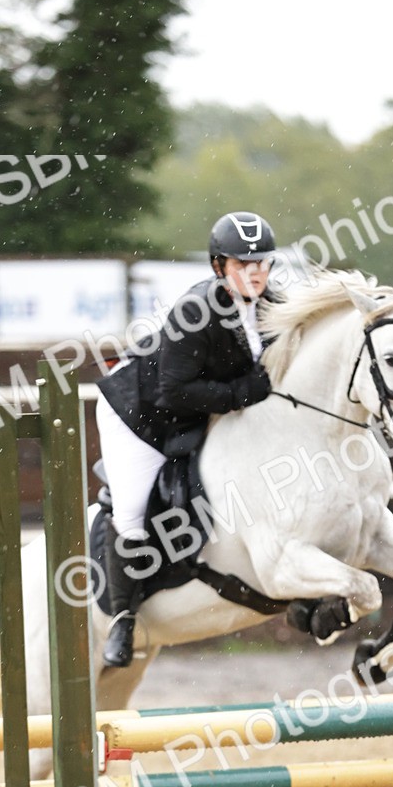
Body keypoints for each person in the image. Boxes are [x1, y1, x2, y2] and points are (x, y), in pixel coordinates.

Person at [96, 210, 278, 667]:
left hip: (190, 414)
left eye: (263, 263)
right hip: (138, 415)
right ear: (220, 267)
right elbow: (172, 391)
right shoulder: (195, 311)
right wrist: (240, 394)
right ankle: (122, 619)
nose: (256, 272)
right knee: (132, 512)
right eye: (244, 264)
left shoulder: (273, 304)